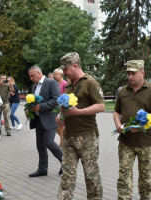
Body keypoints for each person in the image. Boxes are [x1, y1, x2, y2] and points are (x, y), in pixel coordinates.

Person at [113, 60, 151, 200]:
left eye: (133, 73)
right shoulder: (123, 91)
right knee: (124, 177)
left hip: (146, 143)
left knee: (146, 179)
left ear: (142, 73)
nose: (130, 77)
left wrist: (146, 123)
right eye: (128, 73)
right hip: (126, 142)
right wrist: (118, 124)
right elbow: (116, 111)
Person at [56, 52, 105, 200]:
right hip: (69, 136)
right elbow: (66, 106)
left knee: (91, 176)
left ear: (75, 65)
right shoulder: (70, 84)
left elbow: (101, 106)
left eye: (66, 70)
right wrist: (61, 115)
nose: (64, 73)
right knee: (67, 175)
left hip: (87, 136)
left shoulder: (90, 82)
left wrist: (78, 112)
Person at [27, 65, 63, 177]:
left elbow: (56, 100)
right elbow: (33, 102)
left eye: (32, 76)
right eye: (30, 76)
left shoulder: (51, 83)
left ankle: (66, 163)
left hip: (50, 119)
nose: (31, 78)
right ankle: (42, 169)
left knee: (49, 142)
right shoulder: (34, 86)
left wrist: (40, 107)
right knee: (40, 145)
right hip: (38, 120)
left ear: (38, 73)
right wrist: (29, 110)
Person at [53, 68, 67, 146]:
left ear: (61, 75)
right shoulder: (55, 83)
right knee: (55, 127)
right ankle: (64, 140)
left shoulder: (65, 83)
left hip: (62, 108)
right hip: (55, 108)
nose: (55, 76)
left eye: (56, 74)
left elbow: (66, 96)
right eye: (54, 74)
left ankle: (61, 145)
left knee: (61, 127)